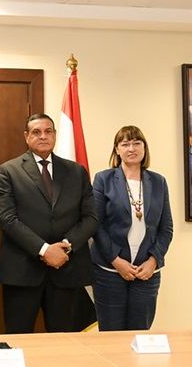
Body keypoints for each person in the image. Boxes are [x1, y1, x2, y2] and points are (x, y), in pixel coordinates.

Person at [0, 113, 98, 334]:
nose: (43, 136)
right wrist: (44, 250)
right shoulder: (9, 171)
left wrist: (65, 247)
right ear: (26, 136)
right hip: (23, 272)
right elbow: (7, 219)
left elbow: (91, 217)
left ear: (55, 135)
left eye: (48, 131)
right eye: (36, 132)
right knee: (18, 338)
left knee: (65, 343)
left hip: (67, 269)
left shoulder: (76, 171)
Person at [91, 125, 173, 331]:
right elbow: (96, 225)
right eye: (125, 144)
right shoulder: (103, 179)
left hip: (147, 272)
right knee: (111, 334)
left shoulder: (158, 182)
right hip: (109, 270)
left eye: (137, 143)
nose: (131, 148)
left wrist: (153, 261)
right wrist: (116, 261)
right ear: (117, 149)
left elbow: (166, 228)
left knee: (140, 333)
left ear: (144, 148)